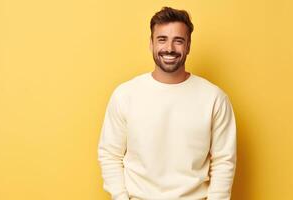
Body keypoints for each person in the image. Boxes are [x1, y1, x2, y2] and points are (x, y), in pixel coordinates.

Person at [97, 6, 237, 200]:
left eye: (178, 41)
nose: (169, 48)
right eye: (162, 39)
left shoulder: (214, 98)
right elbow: (110, 155)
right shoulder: (125, 95)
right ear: (151, 43)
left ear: (188, 45)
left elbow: (224, 161)